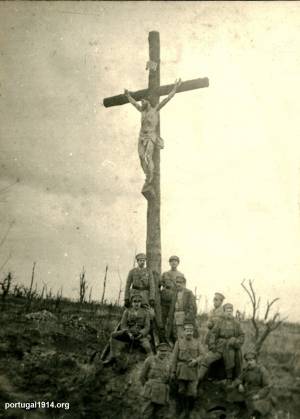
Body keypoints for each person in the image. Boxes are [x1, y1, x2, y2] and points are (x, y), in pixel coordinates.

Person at [124, 79, 182, 186]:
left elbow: (167, 99)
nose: (142, 103)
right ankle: (147, 174)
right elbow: (133, 103)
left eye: (143, 101)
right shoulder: (142, 111)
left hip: (151, 136)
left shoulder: (155, 110)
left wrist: (175, 88)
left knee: (148, 156)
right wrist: (128, 96)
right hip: (142, 136)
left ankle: (150, 177)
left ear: (148, 101)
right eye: (141, 102)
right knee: (141, 157)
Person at [198, 303, 245, 383]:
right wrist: (212, 345)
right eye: (227, 310)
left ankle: (229, 379)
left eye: (231, 310)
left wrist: (236, 341)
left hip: (230, 346)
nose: (229, 312)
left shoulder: (236, 323)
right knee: (207, 358)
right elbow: (213, 333)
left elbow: (242, 335)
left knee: (230, 359)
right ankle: (199, 378)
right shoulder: (220, 321)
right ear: (224, 311)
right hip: (219, 346)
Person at [103, 293, 152, 364]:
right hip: (128, 333)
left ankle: (151, 363)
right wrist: (128, 333)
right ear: (132, 303)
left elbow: (147, 327)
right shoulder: (127, 311)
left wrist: (141, 334)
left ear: (141, 303)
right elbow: (123, 325)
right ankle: (113, 356)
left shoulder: (145, 312)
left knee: (147, 346)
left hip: (140, 334)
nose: (137, 303)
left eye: (138, 301)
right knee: (113, 335)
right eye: (135, 301)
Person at [171, 322, 205, 418]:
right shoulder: (178, 342)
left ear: (193, 332)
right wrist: (173, 372)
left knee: (192, 392)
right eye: (187, 330)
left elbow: (203, 355)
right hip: (181, 370)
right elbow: (174, 358)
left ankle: (190, 410)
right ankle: (183, 409)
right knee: (181, 391)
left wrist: (196, 360)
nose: (189, 332)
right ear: (184, 332)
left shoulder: (197, 342)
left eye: (190, 330)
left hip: (193, 370)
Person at [235, 351, 273, 418]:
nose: (249, 362)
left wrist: (259, 395)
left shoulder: (262, 370)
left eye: (251, 360)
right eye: (247, 361)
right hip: (247, 393)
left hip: (258, 393)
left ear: (255, 360)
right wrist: (239, 384)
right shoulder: (246, 370)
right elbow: (238, 379)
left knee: (254, 410)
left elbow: (268, 385)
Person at [140, 343, 172, 419]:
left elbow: (169, 378)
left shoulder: (169, 363)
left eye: (165, 351)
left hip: (162, 392)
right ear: (157, 351)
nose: (163, 353)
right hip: (150, 391)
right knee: (147, 413)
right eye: (161, 351)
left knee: (160, 414)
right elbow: (142, 376)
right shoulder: (150, 360)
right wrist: (148, 386)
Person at [166, 276, 197, 342]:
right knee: (176, 336)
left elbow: (193, 308)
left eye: (180, 282)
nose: (178, 284)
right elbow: (172, 308)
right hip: (175, 318)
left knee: (184, 337)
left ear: (184, 283)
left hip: (185, 319)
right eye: (177, 282)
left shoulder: (189, 293)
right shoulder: (175, 293)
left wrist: (187, 319)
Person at [159, 255, 185, 326]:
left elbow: (183, 289)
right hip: (165, 298)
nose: (174, 263)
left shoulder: (181, 275)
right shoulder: (165, 274)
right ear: (169, 263)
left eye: (175, 261)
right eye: (172, 261)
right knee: (163, 318)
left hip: (175, 298)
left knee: (174, 319)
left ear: (178, 263)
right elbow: (159, 284)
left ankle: (173, 336)